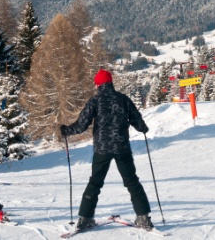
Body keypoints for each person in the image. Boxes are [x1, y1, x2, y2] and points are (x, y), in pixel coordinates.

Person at [60, 69, 154, 232]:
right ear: (110, 83)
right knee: (132, 181)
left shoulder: (95, 101)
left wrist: (66, 130)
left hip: (102, 149)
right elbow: (136, 119)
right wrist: (143, 128)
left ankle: (85, 218)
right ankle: (143, 217)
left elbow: (82, 125)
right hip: (122, 148)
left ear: (98, 85)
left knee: (95, 182)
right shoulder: (123, 99)